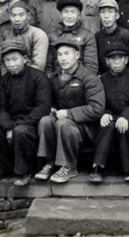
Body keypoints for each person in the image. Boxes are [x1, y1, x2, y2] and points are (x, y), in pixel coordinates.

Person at [35, 40, 105, 183]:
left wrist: (68, 113)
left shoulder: (89, 78)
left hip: (86, 129)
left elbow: (97, 108)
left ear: (77, 55)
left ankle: (69, 167)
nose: (63, 58)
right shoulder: (55, 77)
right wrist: (52, 108)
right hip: (63, 124)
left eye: (67, 54)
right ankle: (49, 163)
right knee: (45, 121)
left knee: (64, 123)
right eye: (60, 54)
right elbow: (52, 100)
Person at [0, 42, 52, 186]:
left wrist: (17, 125)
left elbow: (43, 107)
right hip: (11, 122)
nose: (11, 64)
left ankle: (23, 172)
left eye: (15, 59)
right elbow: (1, 107)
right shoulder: (4, 80)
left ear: (25, 59)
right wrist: (8, 126)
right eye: (7, 61)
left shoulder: (39, 77)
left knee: (20, 131)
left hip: (32, 123)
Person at [90, 43, 129, 183]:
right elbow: (99, 100)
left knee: (124, 127)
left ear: (126, 60)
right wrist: (104, 113)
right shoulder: (103, 79)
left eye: (120, 58)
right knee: (107, 125)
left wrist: (126, 116)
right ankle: (98, 167)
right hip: (111, 116)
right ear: (107, 61)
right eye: (112, 59)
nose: (116, 62)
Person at [46, 0, 98, 75]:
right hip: (57, 78)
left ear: (79, 16)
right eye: (66, 12)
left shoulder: (87, 35)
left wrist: (77, 80)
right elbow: (48, 67)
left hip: (80, 79)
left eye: (73, 12)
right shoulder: (52, 35)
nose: (69, 16)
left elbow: (91, 67)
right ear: (60, 15)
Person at [95, 0, 129, 74]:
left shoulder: (128, 36)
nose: (106, 16)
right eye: (103, 12)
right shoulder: (97, 37)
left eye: (110, 12)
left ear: (117, 15)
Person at [0, 1, 49, 72]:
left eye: (21, 15)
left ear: (28, 16)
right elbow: (2, 62)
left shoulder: (38, 35)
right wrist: (6, 77)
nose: (17, 19)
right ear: (9, 17)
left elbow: (38, 65)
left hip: (33, 75)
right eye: (13, 15)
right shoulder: (6, 34)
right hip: (10, 75)